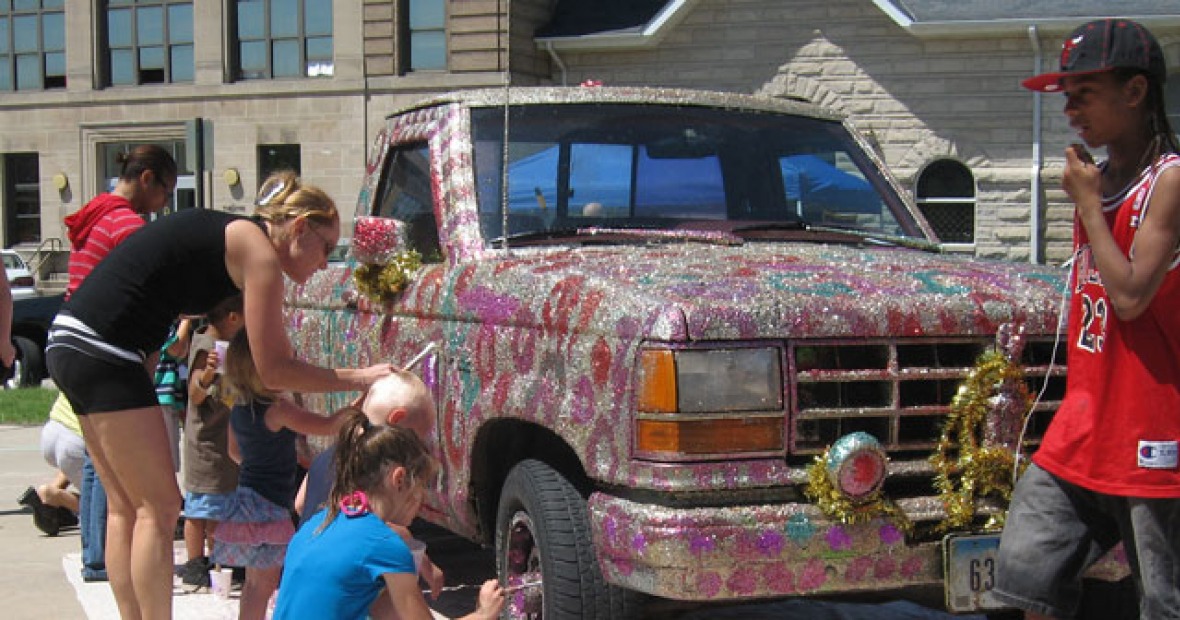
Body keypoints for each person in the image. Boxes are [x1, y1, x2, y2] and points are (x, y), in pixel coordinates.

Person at [44, 170, 394, 620]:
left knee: (127, 508)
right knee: (161, 506)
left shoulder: (234, 241)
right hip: (104, 350)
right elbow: (273, 371)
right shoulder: (259, 254)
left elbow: (263, 349)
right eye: (326, 247)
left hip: (72, 341)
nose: (325, 263)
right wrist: (360, 376)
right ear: (300, 227)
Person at [995, 19, 1180, 618]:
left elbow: (1130, 297)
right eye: (1066, 95)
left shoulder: (1169, 181)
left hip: (1154, 427)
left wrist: (1087, 208)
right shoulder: (1098, 181)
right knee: (1026, 575)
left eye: (1085, 93)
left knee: (1161, 598)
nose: (1070, 109)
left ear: (1135, 92)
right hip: (1087, 421)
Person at [55, 144, 179, 582]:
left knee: (98, 462)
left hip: (71, 343)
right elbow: (147, 292)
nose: (165, 203)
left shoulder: (95, 214)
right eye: (166, 191)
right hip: (108, 347)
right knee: (134, 494)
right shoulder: (127, 225)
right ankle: (105, 559)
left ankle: (95, 553)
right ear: (147, 179)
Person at [274, 414, 505, 620]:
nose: (422, 501)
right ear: (399, 479)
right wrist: (484, 613)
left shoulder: (321, 521)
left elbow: (386, 610)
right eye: (422, 487)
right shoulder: (384, 546)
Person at [213, 327, 353, 620]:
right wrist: (361, 401)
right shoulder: (278, 409)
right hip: (269, 505)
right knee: (266, 584)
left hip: (247, 498)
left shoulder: (239, 408)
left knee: (254, 584)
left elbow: (233, 451)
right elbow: (327, 426)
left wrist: (259, 463)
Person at [176, 296, 244, 591]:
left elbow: (228, 394)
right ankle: (197, 562)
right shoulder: (206, 346)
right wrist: (207, 374)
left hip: (222, 436)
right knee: (203, 506)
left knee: (220, 502)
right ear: (232, 318)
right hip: (205, 441)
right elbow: (195, 394)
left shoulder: (226, 346)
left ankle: (220, 561)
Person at [155, 316, 193, 472]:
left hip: (165, 397)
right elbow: (177, 349)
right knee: (165, 466)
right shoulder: (160, 321)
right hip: (160, 397)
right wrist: (187, 319)